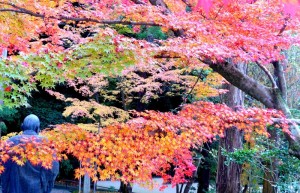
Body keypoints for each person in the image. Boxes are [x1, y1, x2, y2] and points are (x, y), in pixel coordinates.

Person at [1, 114, 59, 193]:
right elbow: (53, 170)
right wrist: (46, 187)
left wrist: (5, 188)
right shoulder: (46, 143)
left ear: (22, 126)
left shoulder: (10, 142)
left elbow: (3, 169)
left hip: (14, 187)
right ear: (37, 128)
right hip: (37, 188)